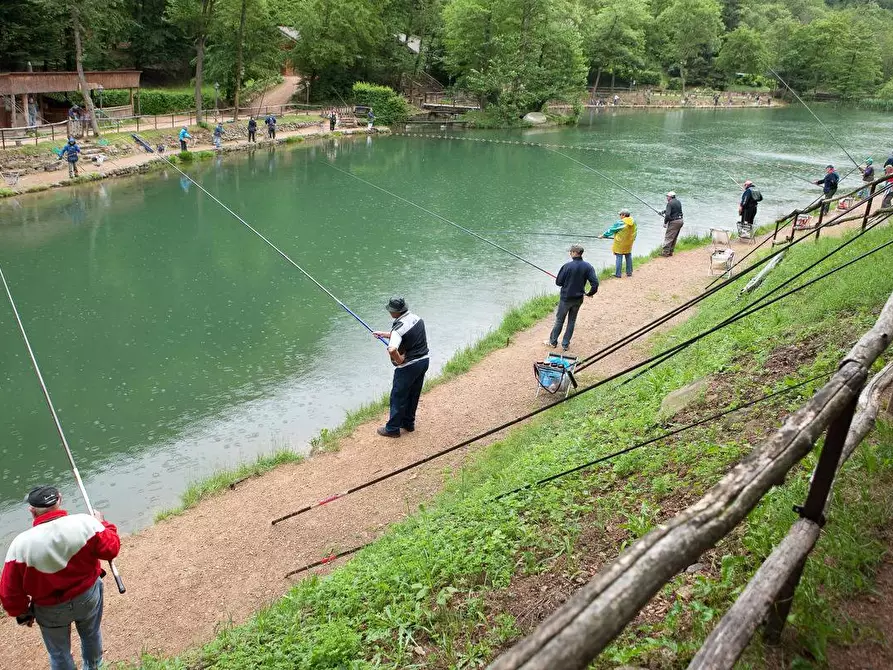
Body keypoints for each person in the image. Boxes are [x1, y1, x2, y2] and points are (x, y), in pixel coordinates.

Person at [1, 485, 120, 670]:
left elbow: (10, 593)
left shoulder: (20, 545)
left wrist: (23, 613)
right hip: (87, 596)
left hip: (49, 609)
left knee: (58, 653)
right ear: (60, 500)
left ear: (31, 510)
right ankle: (93, 666)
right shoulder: (85, 523)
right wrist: (103, 524)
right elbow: (111, 548)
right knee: (91, 635)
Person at [371, 298, 430, 438]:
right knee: (413, 394)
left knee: (398, 396)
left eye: (390, 310)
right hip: (423, 362)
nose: (390, 312)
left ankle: (392, 429)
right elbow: (407, 334)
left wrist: (400, 361)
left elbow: (392, 349)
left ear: (395, 312)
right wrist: (385, 334)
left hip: (408, 367)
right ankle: (408, 424)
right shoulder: (416, 319)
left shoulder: (398, 329)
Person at [545, 245, 599, 351]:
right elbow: (595, 283)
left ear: (575, 253)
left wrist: (565, 280)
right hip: (578, 299)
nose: (570, 253)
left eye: (571, 252)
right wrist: (589, 293)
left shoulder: (567, 266)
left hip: (565, 299)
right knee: (571, 321)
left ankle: (553, 342)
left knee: (559, 321)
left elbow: (559, 282)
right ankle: (565, 344)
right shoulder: (588, 266)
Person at [601, 209, 637, 278]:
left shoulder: (621, 222)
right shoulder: (634, 222)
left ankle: (618, 274)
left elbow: (612, 229)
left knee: (619, 256)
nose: (619, 216)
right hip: (629, 242)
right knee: (628, 255)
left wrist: (603, 235)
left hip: (620, 243)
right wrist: (632, 239)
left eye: (620, 214)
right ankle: (629, 272)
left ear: (623, 215)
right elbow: (635, 231)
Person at [660, 191, 684, 257]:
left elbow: (667, 215)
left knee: (669, 237)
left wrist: (665, 223)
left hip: (674, 222)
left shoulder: (669, 203)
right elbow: (674, 210)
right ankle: (670, 252)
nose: (666, 197)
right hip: (680, 221)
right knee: (674, 237)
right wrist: (663, 212)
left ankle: (665, 252)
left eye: (667, 196)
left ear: (670, 197)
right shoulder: (678, 202)